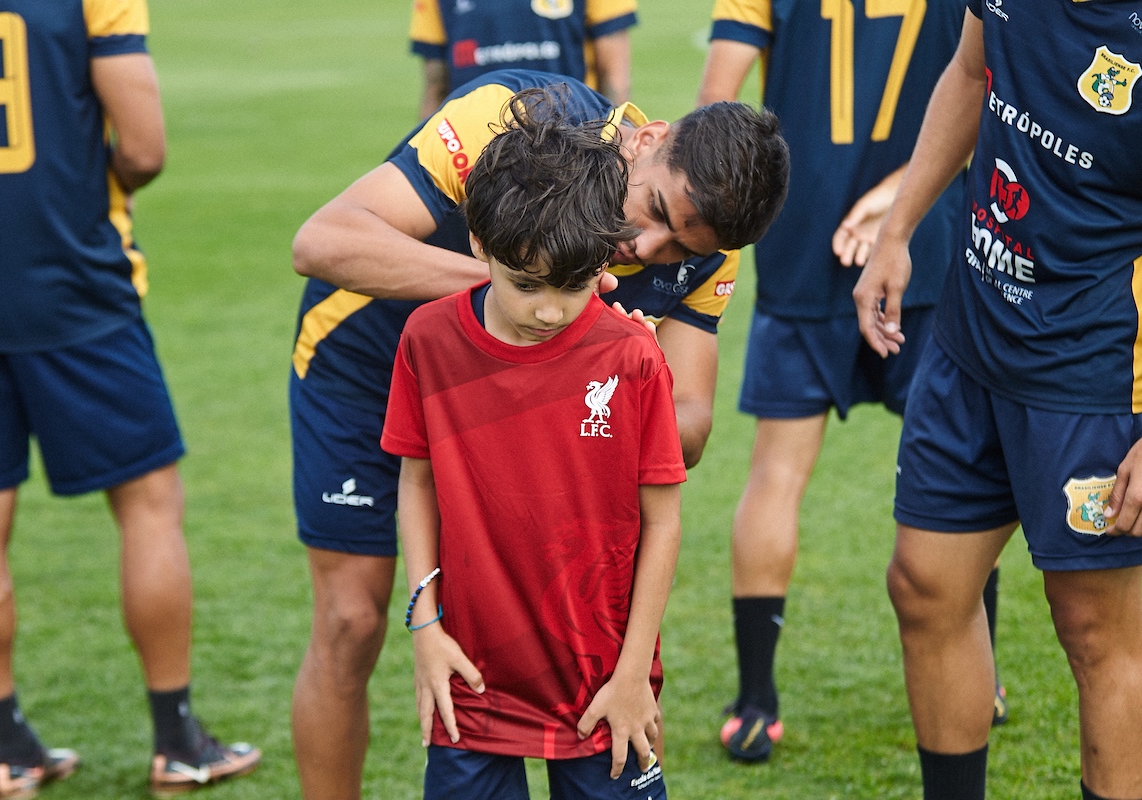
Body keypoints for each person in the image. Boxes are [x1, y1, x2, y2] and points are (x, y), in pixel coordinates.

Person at [288, 68, 789, 800]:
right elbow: (323, 240)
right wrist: (525, 290)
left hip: (506, 416)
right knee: (350, 621)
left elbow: (687, 432)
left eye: (679, 248)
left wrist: (630, 365)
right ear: (648, 141)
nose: (646, 250)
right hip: (364, 365)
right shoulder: (510, 117)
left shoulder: (709, 240)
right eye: (651, 209)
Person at [0, 1, 260, 797]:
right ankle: (177, 739)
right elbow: (145, 148)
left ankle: (10, 744)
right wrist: (84, 181)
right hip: (74, 284)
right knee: (150, 500)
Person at [694, 0, 1013, 764]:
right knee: (965, 482)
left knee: (775, 473)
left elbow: (716, 107)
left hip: (799, 245)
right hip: (928, 243)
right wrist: (895, 204)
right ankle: (987, 677)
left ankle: (756, 704)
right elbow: (991, 91)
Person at [852, 2, 1142, 798]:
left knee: (1094, 633)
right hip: (972, 334)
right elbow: (972, 73)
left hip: (1098, 377)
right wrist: (897, 229)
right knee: (924, 584)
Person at [383, 87, 682, 799]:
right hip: (472, 681)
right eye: (526, 284)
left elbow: (663, 520)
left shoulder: (634, 358)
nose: (550, 309)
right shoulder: (427, 341)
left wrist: (634, 670)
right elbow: (416, 483)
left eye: (576, 285)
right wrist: (426, 628)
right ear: (479, 244)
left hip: (603, 686)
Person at [410, 0, 636, 118]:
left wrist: (607, 150)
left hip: (570, 143)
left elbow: (614, 80)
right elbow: (437, 87)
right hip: (474, 144)